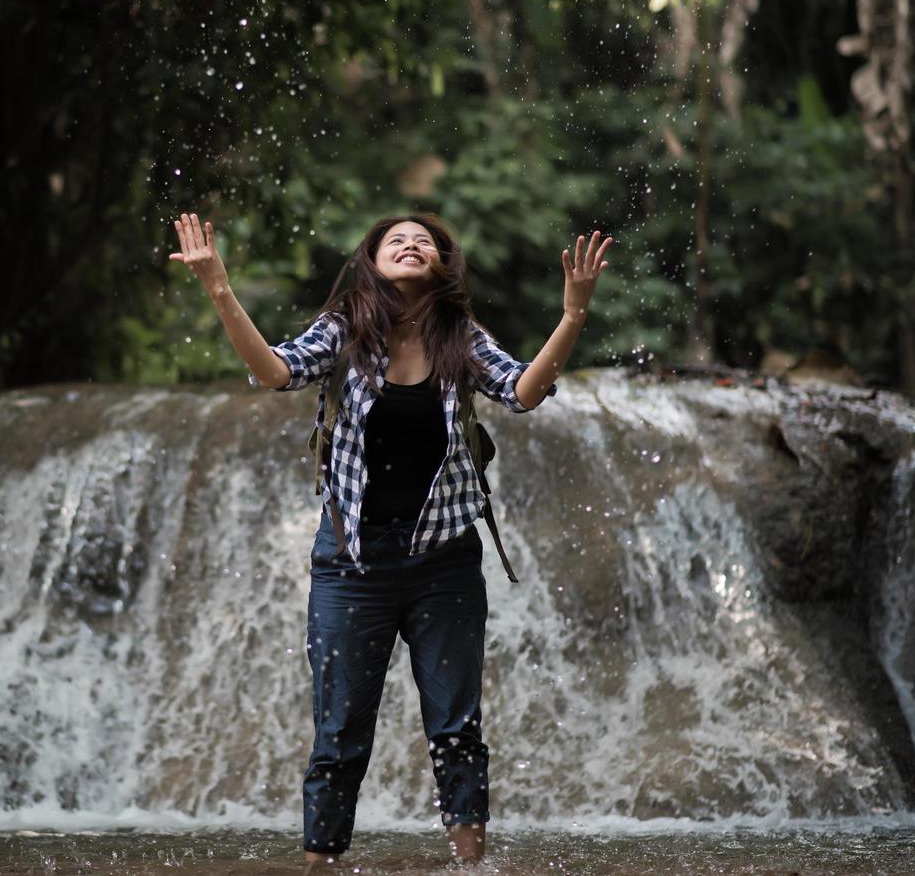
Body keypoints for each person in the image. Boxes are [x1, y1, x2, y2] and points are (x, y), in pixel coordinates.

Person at [169, 210, 611, 870]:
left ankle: (469, 865)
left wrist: (572, 314)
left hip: (444, 561)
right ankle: (320, 864)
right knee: (340, 730)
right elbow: (275, 371)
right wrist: (217, 286)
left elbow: (522, 392)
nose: (408, 245)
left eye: (422, 241)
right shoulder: (345, 328)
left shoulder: (460, 335)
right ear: (372, 263)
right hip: (352, 563)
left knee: (456, 729)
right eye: (393, 241)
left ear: (441, 264)